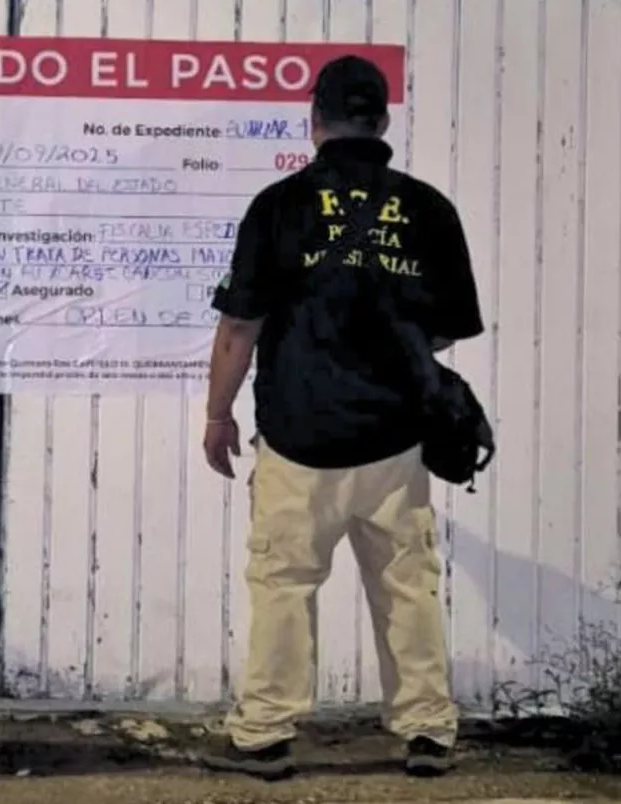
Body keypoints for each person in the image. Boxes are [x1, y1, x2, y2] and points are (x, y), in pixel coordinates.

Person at [198, 55, 484, 780]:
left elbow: (240, 326)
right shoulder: (428, 209)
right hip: (394, 440)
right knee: (407, 584)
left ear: (315, 119)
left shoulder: (279, 205)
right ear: (382, 121)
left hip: (299, 438)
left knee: (284, 585)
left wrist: (217, 414)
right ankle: (427, 732)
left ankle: (264, 734)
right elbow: (447, 330)